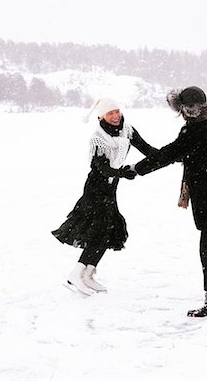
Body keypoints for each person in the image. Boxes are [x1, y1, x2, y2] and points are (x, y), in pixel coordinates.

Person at [131, 86, 207, 317]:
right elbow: (176, 152)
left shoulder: (198, 130)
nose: (188, 112)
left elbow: (171, 153)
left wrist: (138, 168)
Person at [51, 98, 156, 295]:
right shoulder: (98, 139)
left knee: (108, 230)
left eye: (117, 111)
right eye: (110, 113)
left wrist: (171, 157)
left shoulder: (128, 131)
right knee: (99, 231)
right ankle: (77, 273)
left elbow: (148, 150)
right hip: (96, 189)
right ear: (102, 117)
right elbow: (101, 168)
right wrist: (121, 173)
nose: (116, 116)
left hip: (111, 188)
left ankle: (88, 274)